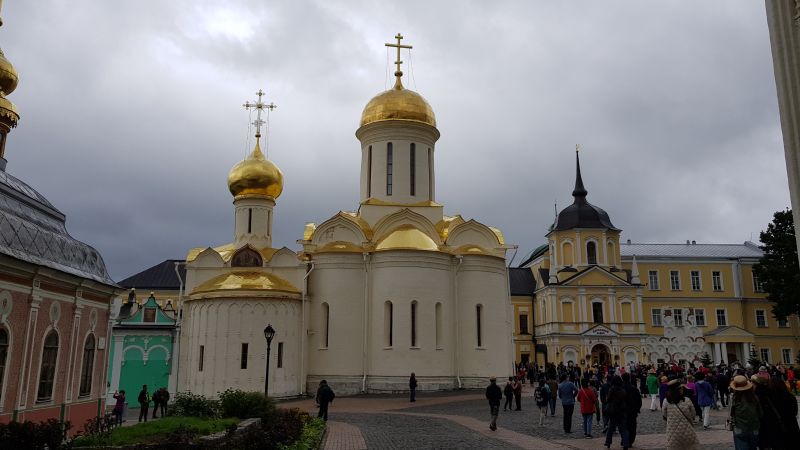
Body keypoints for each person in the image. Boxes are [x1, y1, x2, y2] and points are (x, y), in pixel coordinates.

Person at [662, 379, 699, 450]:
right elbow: (693, 414)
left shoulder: (666, 401)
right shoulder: (687, 400)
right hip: (688, 430)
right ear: (679, 390)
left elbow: (664, 414)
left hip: (672, 431)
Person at [729, 375, 761, 450]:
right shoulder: (754, 398)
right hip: (754, 427)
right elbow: (760, 413)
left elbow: (731, 413)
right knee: (753, 447)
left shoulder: (735, 399)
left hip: (739, 427)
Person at [766, 376, 800, 446]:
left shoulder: (769, 399)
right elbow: (795, 412)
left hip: (778, 428)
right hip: (792, 426)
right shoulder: (790, 397)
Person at [604, 376, 630, 450]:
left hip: (613, 411)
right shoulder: (623, 390)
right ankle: (625, 444)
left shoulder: (611, 389)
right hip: (621, 410)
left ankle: (608, 442)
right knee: (623, 429)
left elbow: (608, 399)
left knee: (611, 428)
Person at [622, 372, 642, 446]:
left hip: (623, 410)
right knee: (632, 426)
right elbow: (639, 400)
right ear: (629, 378)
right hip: (632, 410)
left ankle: (624, 440)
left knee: (624, 426)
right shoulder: (634, 388)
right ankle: (630, 441)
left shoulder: (621, 388)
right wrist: (637, 409)